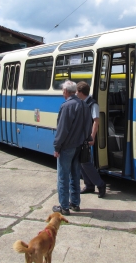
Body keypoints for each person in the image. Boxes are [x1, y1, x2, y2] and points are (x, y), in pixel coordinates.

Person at [52, 80, 93, 216]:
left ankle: (64, 207)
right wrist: (87, 139)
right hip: (79, 146)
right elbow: (88, 126)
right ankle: (75, 203)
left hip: (67, 147)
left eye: (62, 90)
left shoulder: (66, 106)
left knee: (63, 176)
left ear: (65, 91)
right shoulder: (84, 105)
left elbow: (62, 130)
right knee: (75, 175)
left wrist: (57, 147)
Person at [76, 81, 106, 198]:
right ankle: (89, 185)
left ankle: (100, 184)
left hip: (87, 138)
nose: (76, 94)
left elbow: (96, 121)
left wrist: (92, 137)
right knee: (82, 162)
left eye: (77, 92)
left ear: (80, 92)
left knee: (85, 162)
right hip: (80, 137)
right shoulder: (82, 102)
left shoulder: (92, 104)